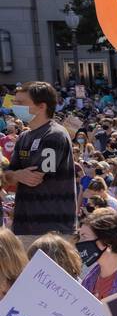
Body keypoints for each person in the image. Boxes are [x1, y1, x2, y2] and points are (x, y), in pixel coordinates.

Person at [1, 82, 76, 246]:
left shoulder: (54, 135)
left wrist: (14, 175)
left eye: (21, 103)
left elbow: (34, 177)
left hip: (52, 229)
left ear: (41, 106)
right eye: (15, 102)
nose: (15, 106)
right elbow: (7, 176)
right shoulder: (24, 137)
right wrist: (15, 175)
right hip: (25, 226)